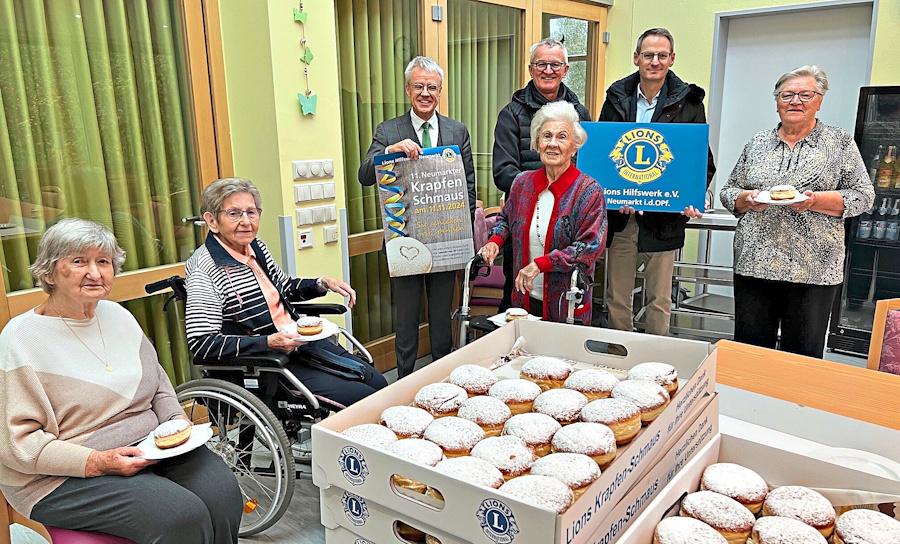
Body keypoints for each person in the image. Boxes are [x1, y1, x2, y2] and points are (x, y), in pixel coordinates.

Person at [0, 218, 242, 543]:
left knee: (222, 493)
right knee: (180, 516)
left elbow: (158, 384)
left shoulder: (118, 316)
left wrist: (176, 422)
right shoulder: (21, 339)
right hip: (61, 473)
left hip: (150, 447)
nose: (95, 273)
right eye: (78, 261)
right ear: (49, 271)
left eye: (103, 262)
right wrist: (98, 462)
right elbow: (19, 446)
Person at [185, 178, 387, 408]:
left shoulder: (256, 247)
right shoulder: (205, 270)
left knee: (378, 382)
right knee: (364, 401)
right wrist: (269, 342)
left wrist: (322, 283)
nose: (246, 221)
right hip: (269, 363)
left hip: (300, 344)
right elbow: (202, 343)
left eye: (251, 212)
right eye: (234, 214)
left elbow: (285, 287)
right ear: (211, 220)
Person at [719, 65, 874, 358]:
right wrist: (746, 198)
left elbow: (864, 196)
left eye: (805, 94)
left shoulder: (839, 143)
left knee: (802, 354)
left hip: (813, 267)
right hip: (755, 262)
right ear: (777, 101)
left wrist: (815, 201)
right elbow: (729, 191)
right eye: (787, 94)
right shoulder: (757, 143)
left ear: (820, 100)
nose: (795, 101)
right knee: (750, 350)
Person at [358, 56, 476, 378]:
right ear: (408, 89)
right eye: (419, 86)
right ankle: (405, 382)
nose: (426, 93)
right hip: (405, 243)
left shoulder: (456, 130)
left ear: (440, 91)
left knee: (441, 322)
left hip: (444, 241)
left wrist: (462, 237)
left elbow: (468, 186)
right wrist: (389, 152)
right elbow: (365, 175)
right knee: (406, 322)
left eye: (432, 87)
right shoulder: (389, 130)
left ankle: (442, 383)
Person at [599, 28, 716, 335]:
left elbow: (700, 161)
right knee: (616, 298)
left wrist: (691, 196)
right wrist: (609, 196)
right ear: (636, 58)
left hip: (664, 219)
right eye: (648, 55)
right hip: (622, 219)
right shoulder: (616, 98)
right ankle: (619, 359)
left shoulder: (690, 102)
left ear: (672, 59)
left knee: (660, 300)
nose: (654, 61)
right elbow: (601, 154)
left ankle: (655, 365)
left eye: (662, 56)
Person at [479, 101, 606, 323]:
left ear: (575, 145)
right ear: (537, 143)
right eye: (546, 136)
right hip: (524, 299)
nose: (553, 144)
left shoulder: (588, 190)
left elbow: (589, 247)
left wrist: (540, 264)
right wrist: (495, 241)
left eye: (562, 137)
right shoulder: (522, 183)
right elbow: (506, 220)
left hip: (566, 303)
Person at [493, 38, 592, 312]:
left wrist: (566, 194)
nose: (548, 70)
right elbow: (502, 173)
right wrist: (536, 190)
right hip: (525, 223)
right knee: (518, 297)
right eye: (541, 64)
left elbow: (588, 168)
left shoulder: (581, 114)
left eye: (555, 64)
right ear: (530, 68)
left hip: (568, 226)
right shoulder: (510, 114)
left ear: (566, 69)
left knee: (566, 302)